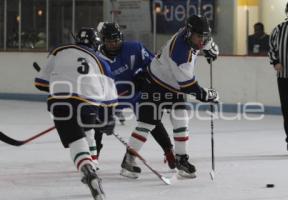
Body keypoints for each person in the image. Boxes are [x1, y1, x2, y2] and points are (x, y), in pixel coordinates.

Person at [120, 14, 219, 178]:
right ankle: (128, 160)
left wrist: (210, 48)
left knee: (181, 118)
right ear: (188, 33)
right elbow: (189, 87)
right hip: (155, 84)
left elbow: (204, 41)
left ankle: (181, 159)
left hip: (174, 85)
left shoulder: (192, 34)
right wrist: (208, 95)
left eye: (204, 37)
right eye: (198, 37)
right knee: (147, 124)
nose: (201, 40)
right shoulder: (180, 54)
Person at [34, 27, 118, 200]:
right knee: (87, 131)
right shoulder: (101, 61)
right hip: (88, 104)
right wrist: (108, 120)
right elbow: (110, 99)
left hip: (61, 103)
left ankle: (88, 170)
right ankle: (93, 165)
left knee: (75, 141)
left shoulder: (59, 51)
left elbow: (40, 83)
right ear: (96, 43)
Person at [94, 22, 176, 176]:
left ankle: (168, 151)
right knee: (98, 124)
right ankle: (92, 158)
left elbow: (153, 64)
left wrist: (143, 74)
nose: (113, 44)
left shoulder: (135, 48)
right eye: (109, 41)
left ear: (121, 38)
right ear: (103, 41)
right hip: (111, 99)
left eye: (116, 40)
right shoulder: (96, 58)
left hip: (137, 94)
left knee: (152, 120)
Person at [269, 0, 288, 153]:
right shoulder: (279, 29)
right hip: (284, 77)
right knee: (287, 110)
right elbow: (272, 47)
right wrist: (275, 62)